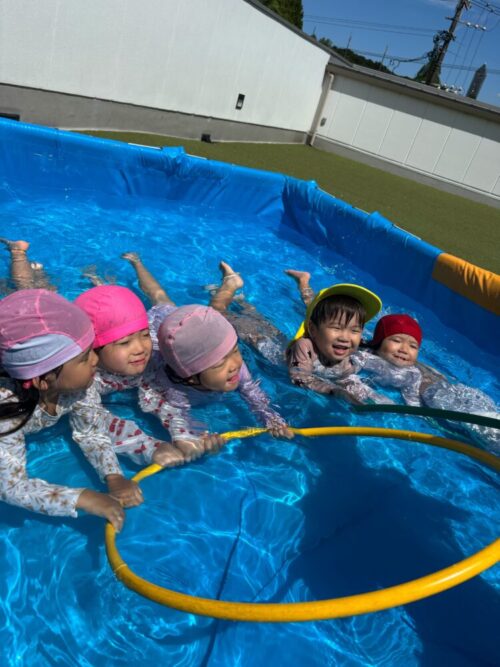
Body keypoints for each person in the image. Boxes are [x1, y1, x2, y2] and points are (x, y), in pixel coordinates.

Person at [1, 238, 185, 468]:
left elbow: (157, 395)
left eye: (145, 335)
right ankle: (18, 253)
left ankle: (44, 268)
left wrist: (182, 433)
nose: (140, 348)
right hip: (55, 330)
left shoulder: (146, 357)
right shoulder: (83, 373)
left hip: (75, 327)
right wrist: (146, 446)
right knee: (31, 294)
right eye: (125, 342)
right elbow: (97, 419)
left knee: (47, 295)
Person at [0, 289, 143, 530]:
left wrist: (114, 476)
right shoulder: (7, 409)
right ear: (43, 380)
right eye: (84, 358)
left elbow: (90, 432)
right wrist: (81, 498)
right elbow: (9, 487)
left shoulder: (78, 386)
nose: (96, 360)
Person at [354, 314, 500, 448]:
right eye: (396, 340)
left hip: (447, 392)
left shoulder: (410, 370)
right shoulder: (367, 356)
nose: (404, 349)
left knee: (482, 424)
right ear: (378, 341)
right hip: (443, 393)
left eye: (413, 346)